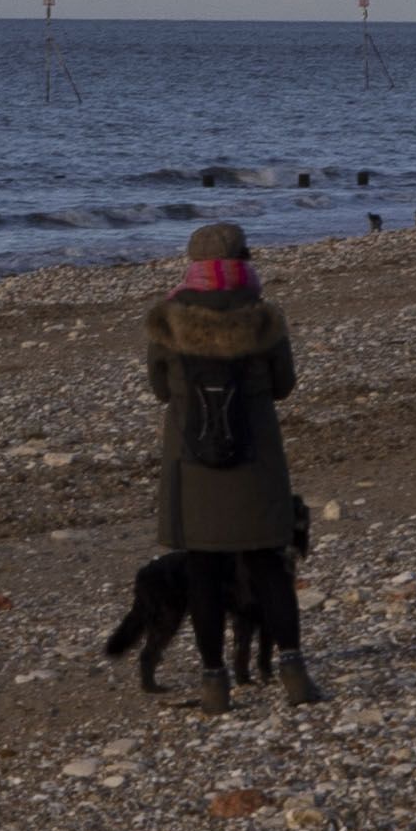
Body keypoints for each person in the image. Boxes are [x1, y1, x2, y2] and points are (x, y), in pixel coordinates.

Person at [141, 222, 314, 700]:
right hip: (256, 463)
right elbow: (283, 386)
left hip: (193, 465)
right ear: (246, 260)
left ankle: (214, 682)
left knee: (204, 573)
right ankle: (295, 675)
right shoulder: (263, 318)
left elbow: (158, 390)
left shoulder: (169, 321)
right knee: (269, 569)